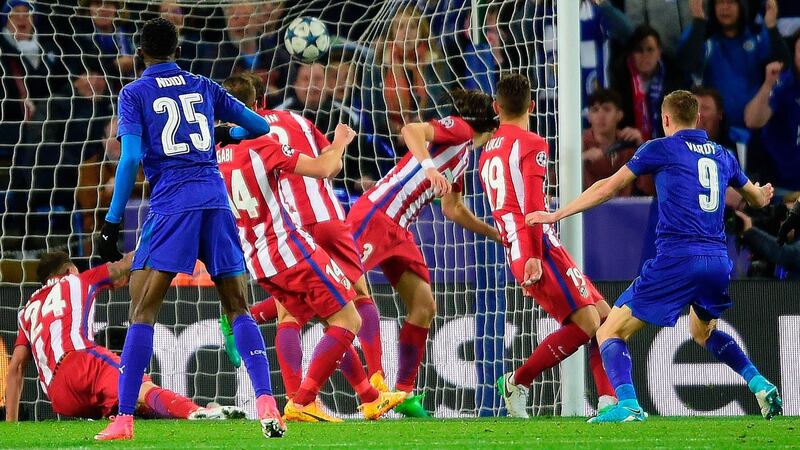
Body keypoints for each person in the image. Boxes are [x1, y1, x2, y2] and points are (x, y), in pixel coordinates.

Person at [528, 90, 782, 423]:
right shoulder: (723, 155)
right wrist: (762, 192)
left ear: (665, 119)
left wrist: (556, 214)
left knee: (608, 331)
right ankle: (759, 383)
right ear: (698, 119)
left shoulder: (661, 148)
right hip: (718, 261)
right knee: (703, 332)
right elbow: (757, 199)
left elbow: (608, 186)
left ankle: (629, 406)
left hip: (678, 259)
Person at [93, 18, 279, 441]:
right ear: (178, 50)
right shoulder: (204, 85)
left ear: (141, 53)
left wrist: (111, 222)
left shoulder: (134, 93)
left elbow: (129, 159)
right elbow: (261, 127)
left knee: (143, 310)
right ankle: (267, 401)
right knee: (238, 306)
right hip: (215, 200)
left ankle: (124, 419)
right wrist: (224, 132)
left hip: (172, 205)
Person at [215, 80, 407, 422]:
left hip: (257, 258)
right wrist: (340, 142)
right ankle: (303, 400)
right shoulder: (263, 141)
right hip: (290, 244)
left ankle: (367, 396)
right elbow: (325, 168)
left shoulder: (212, 152)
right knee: (349, 316)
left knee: (301, 316)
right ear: (255, 105)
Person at [346, 89, 503, 417]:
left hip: (399, 229)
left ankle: (403, 394)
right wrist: (430, 169)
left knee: (424, 306)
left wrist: (494, 233)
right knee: (337, 294)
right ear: (491, 127)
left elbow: (453, 208)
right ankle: (371, 385)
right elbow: (411, 130)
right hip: (376, 215)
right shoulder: (459, 129)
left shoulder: (463, 157)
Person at [480, 74, 616, 418]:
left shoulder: (486, 153)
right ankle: (517, 381)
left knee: (606, 318)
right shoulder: (532, 143)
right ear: (532, 106)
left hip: (529, 243)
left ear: (497, 107)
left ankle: (608, 401)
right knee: (587, 323)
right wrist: (534, 256)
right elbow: (533, 206)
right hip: (535, 244)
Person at [5, 251, 244, 422]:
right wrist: (151, 245)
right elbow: (122, 267)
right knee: (137, 384)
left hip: (59, 396)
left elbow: (15, 368)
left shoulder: (27, 310)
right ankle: (196, 412)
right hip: (80, 361)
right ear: (69, 270)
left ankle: (188, 410)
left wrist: (11, 425)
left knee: (130, 405)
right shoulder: (78, 280)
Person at [679, 0, 788, 129]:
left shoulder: (757, 35)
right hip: (713, 129)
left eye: (731, 2)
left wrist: (772, 27)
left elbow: (783, 66)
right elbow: (686, 66)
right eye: (720, 2)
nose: (725, 7)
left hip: (755, 125)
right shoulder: (701, 35)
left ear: (742, 5)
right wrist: (699, 21)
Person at [744, 31, 800, 192]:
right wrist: (768, 84)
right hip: (783, 188)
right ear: (794, 54)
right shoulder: (782, 84)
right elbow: (752, 121)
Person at [610, 25, 684, 141]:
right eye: (639, 50)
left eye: (650, 49)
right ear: (632, 54)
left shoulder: (674, 78)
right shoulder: (620, 78)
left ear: (659, 52)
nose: (645, 55)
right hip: (629, 143)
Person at [582, 88, 645, 196]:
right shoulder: (579, 144)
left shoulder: (628, 143)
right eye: (595, 110)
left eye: (606, 109)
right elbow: (555, 181)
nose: (601, 116)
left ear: (619, 115)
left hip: (625, 206)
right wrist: (578, 160)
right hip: (586, 206)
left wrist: (642, 147)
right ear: (589, 117)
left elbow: (650, 189)